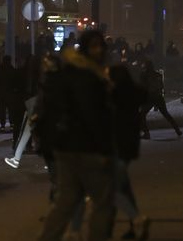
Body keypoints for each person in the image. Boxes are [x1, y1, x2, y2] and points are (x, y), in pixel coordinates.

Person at [36, 30, 115, 241]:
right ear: (86, 49)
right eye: (94, 46)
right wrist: (105, 148)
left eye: (100, 46)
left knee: (66, 201)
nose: (98, 50)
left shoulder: (71, 72)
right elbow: (92, 115)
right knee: (104, 200)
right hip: (85, 147)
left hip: (64, 145)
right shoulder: (89, 76)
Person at [110, 65, 150, 240]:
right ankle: (136, 223)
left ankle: (137, 220)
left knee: (112, 187)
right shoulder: (133, 94)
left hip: (117, 145)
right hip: (128, 145)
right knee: (123, 186)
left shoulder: (116, 96)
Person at [139, 60, 182, 140]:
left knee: (141, 114)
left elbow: (143, 87)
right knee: (166, 114)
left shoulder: (144, 75)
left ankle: (146, 133)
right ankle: (177, 129)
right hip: (158, 97)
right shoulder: (158, 75)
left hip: (150, 98)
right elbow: (161, 86)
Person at [0, 56, 16, 132]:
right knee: (11, 110)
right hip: (10, 94)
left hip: (1, 93)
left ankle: (2, 125)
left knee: (2, 110)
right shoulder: (12, 70)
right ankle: (11, 124)